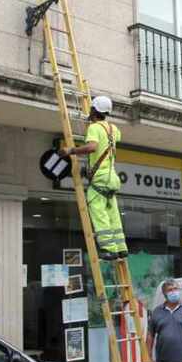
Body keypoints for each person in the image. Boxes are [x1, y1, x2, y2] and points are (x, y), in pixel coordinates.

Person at [60, 95, 127, 261]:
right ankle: (121, 248)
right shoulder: (113, 128)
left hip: (101, 177)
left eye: (91, 109)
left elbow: (92, 147)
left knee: (99, 212)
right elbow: (116, 138)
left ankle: (108, 249)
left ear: (94, 110)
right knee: (112, 213)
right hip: (112, 177)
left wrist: (71, 151)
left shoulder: (94, 128)